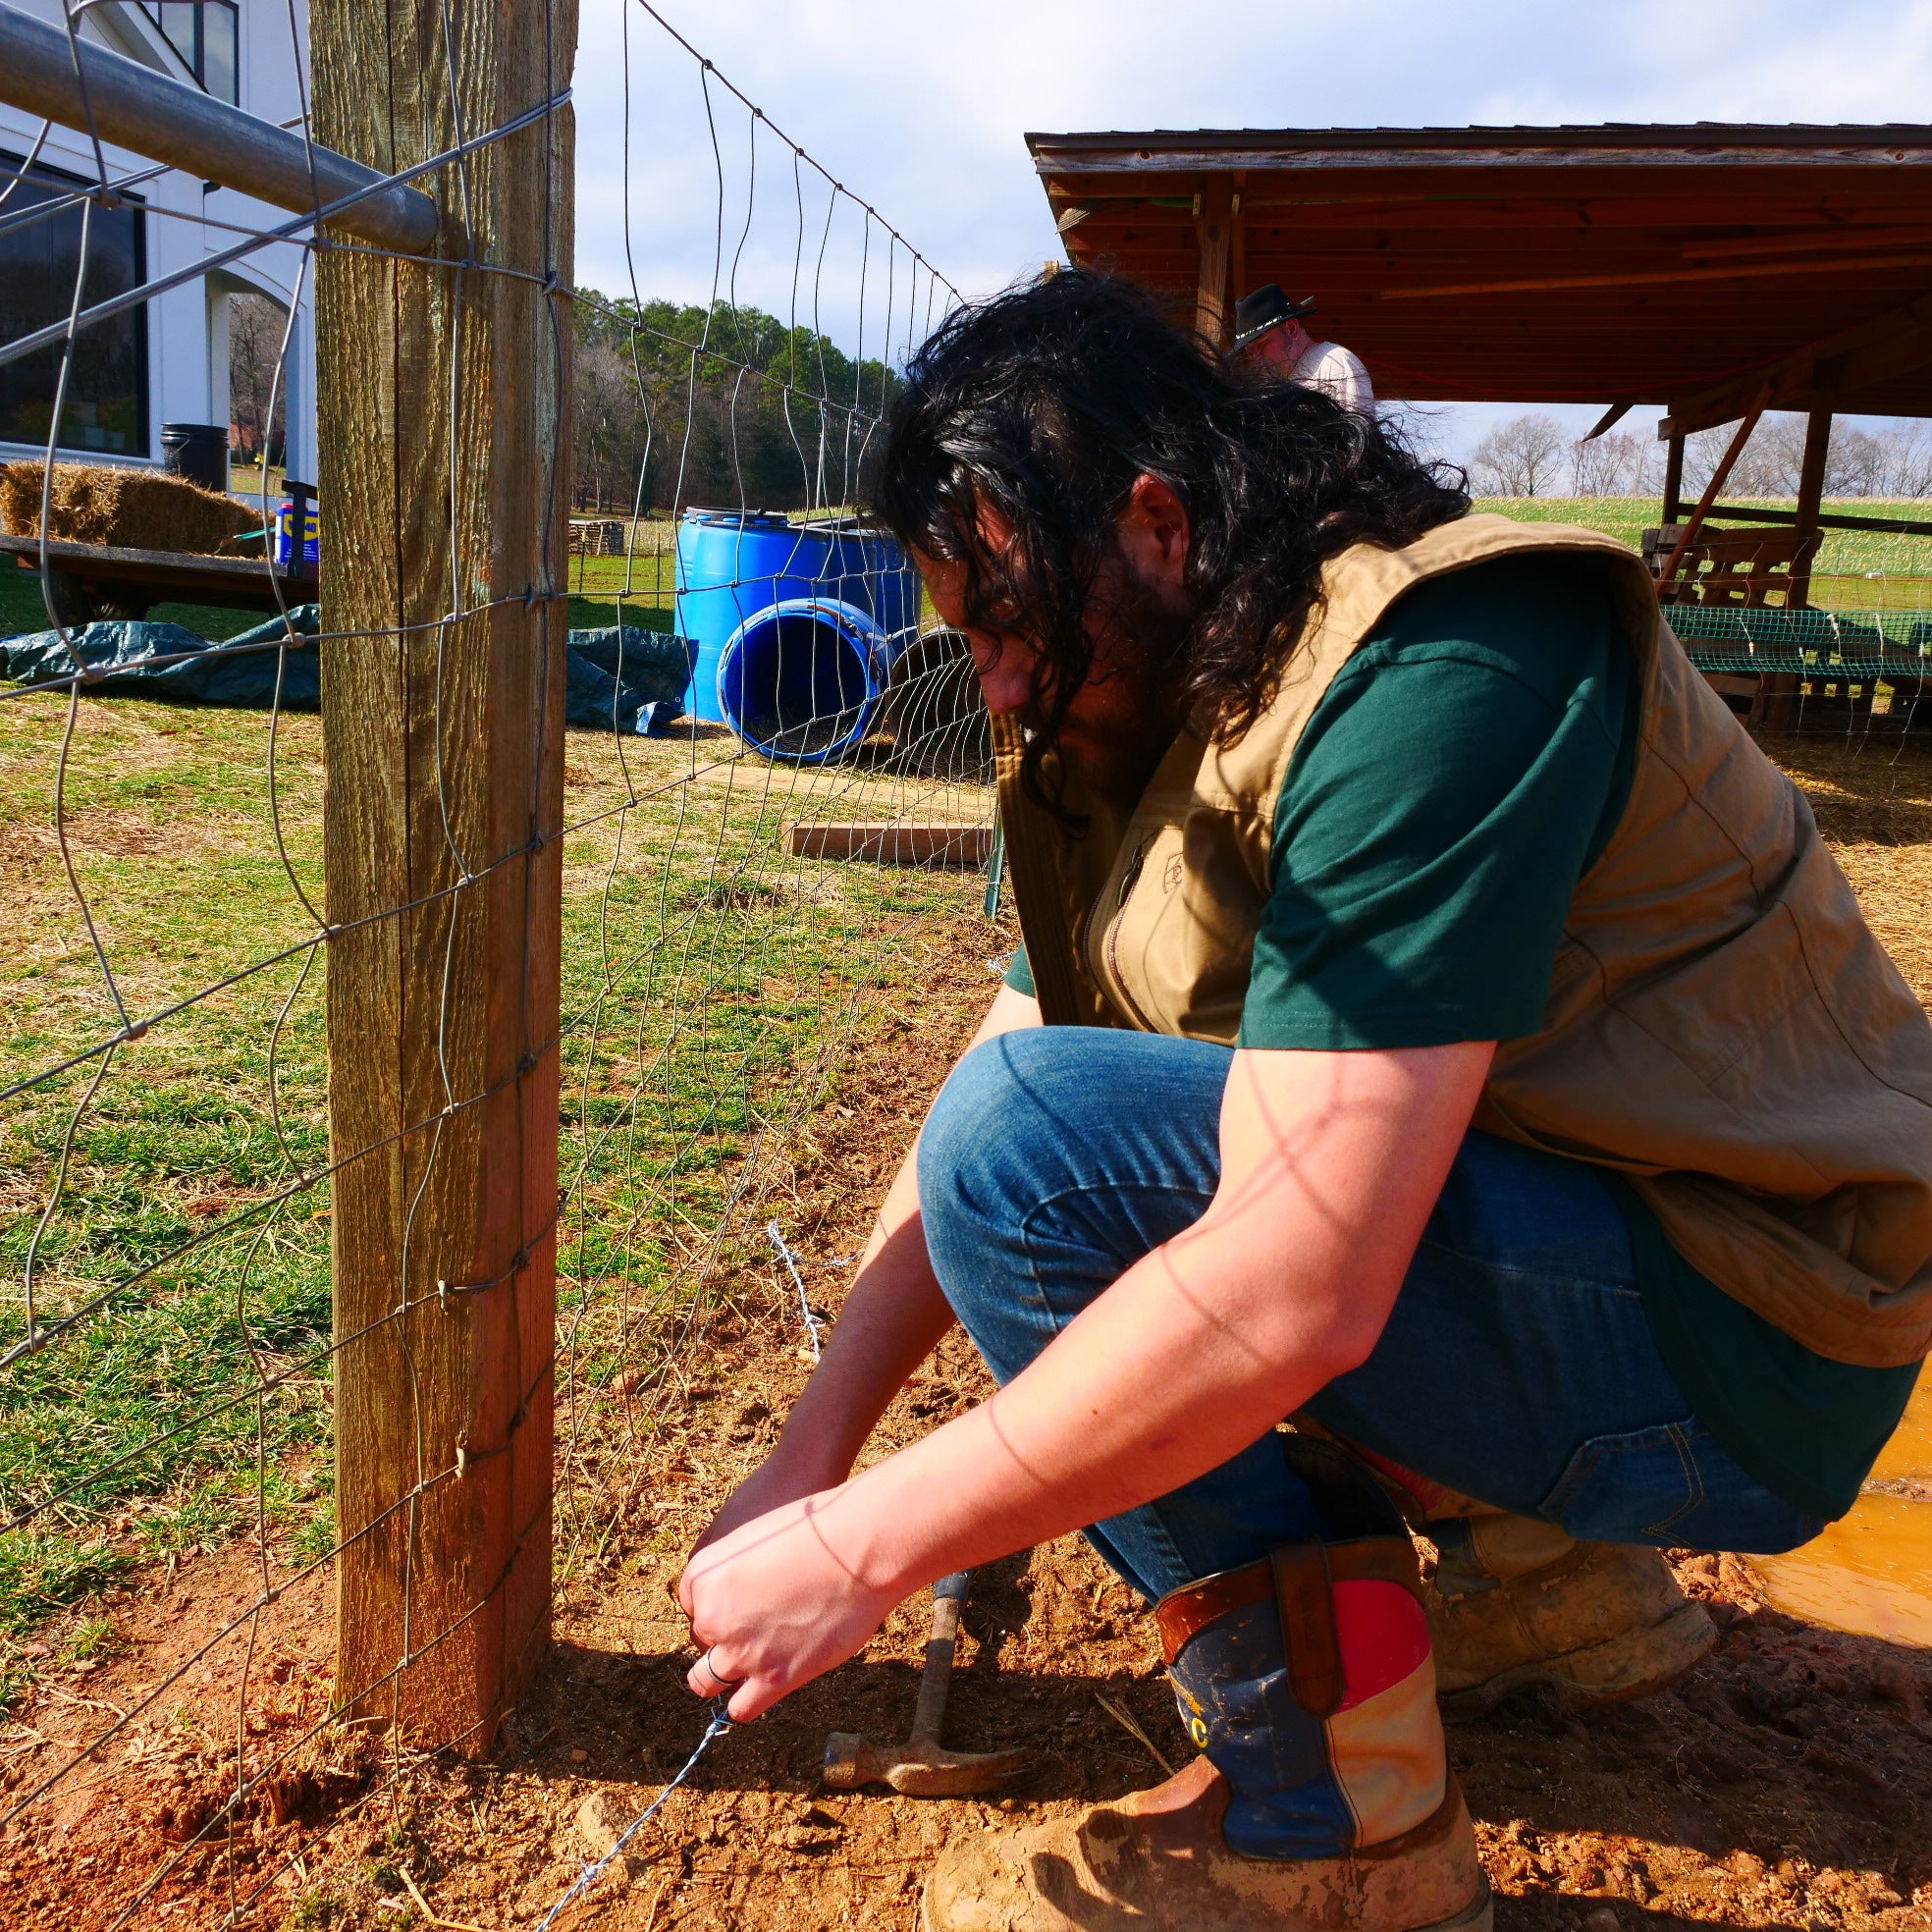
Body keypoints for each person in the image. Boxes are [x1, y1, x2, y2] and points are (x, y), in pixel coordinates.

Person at [677, 273, 1932, 1932]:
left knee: (1065, 1171)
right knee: (1083, 1131)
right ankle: (1536, 1578)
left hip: (1758, 1329)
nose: (985, 687)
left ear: (1151, 525)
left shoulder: (1436, 664)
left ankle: (1329, 1818)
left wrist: (864, 1549)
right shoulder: (1138, 688)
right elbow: (1011, 1053)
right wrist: (808, 1457)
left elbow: (1280, 1266)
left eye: (999, 624)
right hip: (1608, 1223)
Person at [1236, 281, 1375, 414]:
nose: (1256, 357)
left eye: (1262, 344)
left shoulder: (1336, 364)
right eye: (1250, 351)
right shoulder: (1266, 388)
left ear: (1291, 329)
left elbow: (1362, 436)